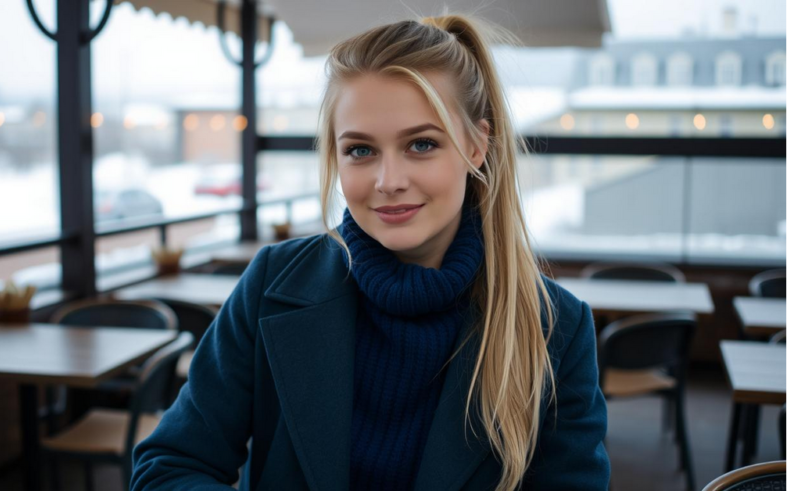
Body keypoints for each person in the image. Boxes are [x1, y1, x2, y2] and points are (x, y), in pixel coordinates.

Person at [131, 13, 610, 491]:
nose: (389, 181)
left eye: (421, 144)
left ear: (476, 146)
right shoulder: (272, 283)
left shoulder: (553, 330)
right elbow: (169, 467)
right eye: (361, 150)